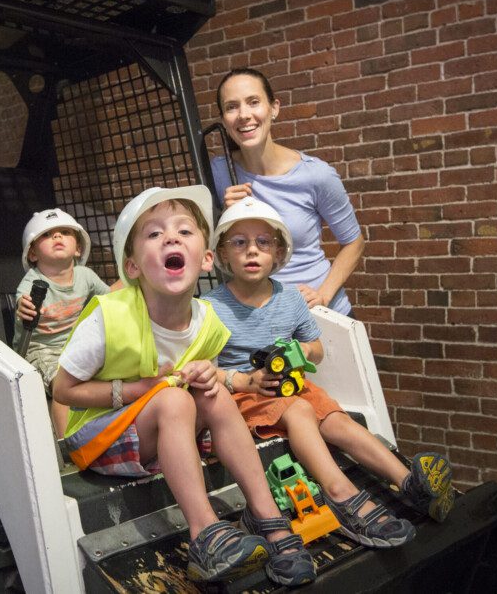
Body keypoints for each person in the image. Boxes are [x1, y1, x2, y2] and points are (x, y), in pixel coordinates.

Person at [52, 186, 316, 587]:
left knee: (212, 393)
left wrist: (210, 375)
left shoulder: (207, 319)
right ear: (134, 266)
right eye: (154, 234)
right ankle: (205, 533)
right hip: (100, 435)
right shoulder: (110, 317)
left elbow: (204, 372)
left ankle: (268, 519)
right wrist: (138, 389)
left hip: (161, 430)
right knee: (174, 400)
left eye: (183, 232)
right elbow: (62, 390)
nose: (170, 238)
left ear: (206, 259)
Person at [202, 196, 456, 548]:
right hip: (248, 396)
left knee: (337, 419)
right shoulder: (210, 308)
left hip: (295, 387)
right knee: (302, 409)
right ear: (223, 254)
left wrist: (302, 351)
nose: (251, 251)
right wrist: (246, 380)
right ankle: (341, 495)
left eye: (262, 242)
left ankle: (410, 481)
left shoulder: (290, 299)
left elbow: (317, 350)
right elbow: (204, 371)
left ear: (278, 253)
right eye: (239, 242)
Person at [211, 67, 365, 315]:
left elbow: (354, 242)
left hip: (318, 315)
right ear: (224, 120)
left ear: (274, 108)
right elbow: (208, 250)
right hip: (258, 319)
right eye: (232, 107)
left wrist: (323, 295)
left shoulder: (315, 175)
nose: (243, 115)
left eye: (253, 102)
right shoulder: (217, 174)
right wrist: (223, 216)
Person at [14, 208, 110, 437]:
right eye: (47, 235)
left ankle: (105, 431)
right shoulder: (33, 280)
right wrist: (23, 305)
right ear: (33, 254)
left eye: (65, 232)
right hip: (40, 349)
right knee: (63, 385)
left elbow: (111, 299)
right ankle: (66, 441)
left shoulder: (86, 276)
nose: (57, 237)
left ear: (78, 248)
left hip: (76, 344)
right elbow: (22, 300)